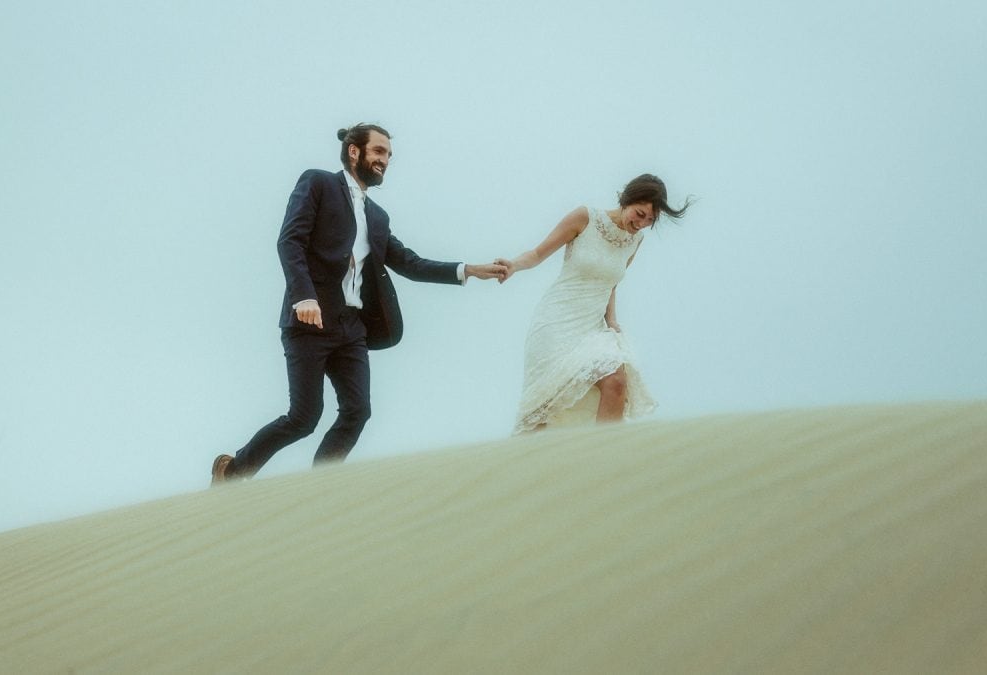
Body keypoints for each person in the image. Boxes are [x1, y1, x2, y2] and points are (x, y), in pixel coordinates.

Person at [211, 123, 508, 483]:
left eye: (389, 155)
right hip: (310, 321)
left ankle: (320, 486)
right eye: (379, 152)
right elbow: (290, 242)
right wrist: (303, 296)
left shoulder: (377, 216)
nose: (386, 161)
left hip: (351, 328)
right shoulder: (318, 183)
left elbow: (409, 262)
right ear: (355, 152)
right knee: (303, 418)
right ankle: (233, 472)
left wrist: (468, 270)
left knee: (358, 411)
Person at [497, 174, 691, 433]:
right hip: (555, 323)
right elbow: (536, 254)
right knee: (544, 410)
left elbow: (610, 283)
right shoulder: (584, 218)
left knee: (616, 382)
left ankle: (604, 458)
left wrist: (612, 319)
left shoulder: (635, 241)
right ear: (627, 200)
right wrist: (513, 266)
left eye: (650, 220)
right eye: (640, 213)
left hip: (592, 326)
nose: (642, 223)